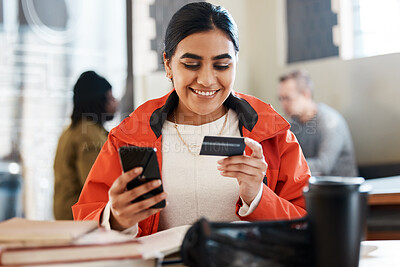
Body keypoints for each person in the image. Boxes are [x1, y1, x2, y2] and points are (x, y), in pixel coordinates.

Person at [73, 2, 310, 236]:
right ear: (168, 64)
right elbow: (85, 220)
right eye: (191, 64)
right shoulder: (129, 136)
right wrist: (114, 219)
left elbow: (307, 223)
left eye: (222, 65)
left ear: (235, 62)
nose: (207, 79)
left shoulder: (272, 132)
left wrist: (258, 197)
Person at [53, 71, 118, 220]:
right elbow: (96, 187)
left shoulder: (72, 130)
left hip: (68, 218)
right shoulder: (88, 134)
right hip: (82, 221)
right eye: (110, 97)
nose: (115, 102)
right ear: (98, 100)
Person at [278, 69, 358, 177]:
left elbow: (323, 166)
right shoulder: (292, 124)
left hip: (339, 190)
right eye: (281, 99)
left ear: (306, 95)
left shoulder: (330, 121)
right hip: (312, 189)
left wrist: (285, 166)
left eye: (288, 98)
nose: (283, 105)